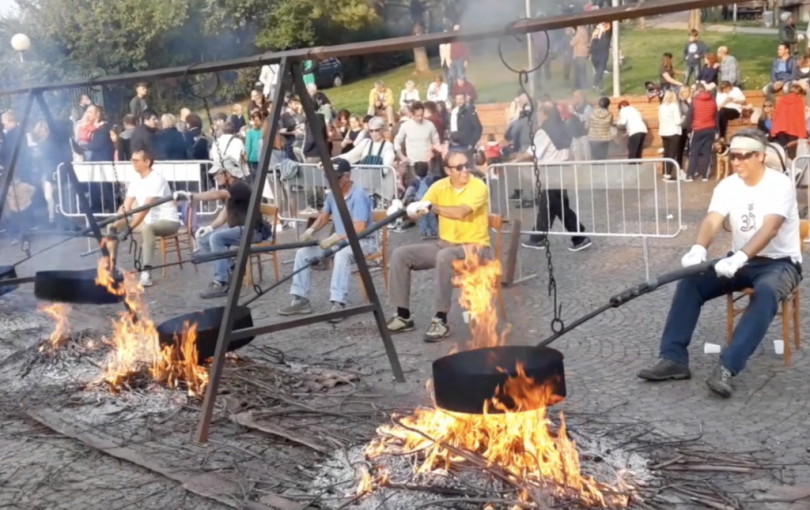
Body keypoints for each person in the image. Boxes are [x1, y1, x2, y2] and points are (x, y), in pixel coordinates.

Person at [637, 129, 802, 398]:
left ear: (761, 156)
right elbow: (713, 219)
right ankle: (673, 358)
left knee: (768, 291)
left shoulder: (780, 184)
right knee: (691, 280)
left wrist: (740, 257)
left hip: (779, 262)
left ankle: (728, 367)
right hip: (740, 260)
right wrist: (698, 249)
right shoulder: (728, 185)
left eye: (743, 156)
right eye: (732, 155)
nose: (736, 161)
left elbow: (770, 228)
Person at [385, 150, 490, 342]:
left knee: (445, 257)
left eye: (467, 165)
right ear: (448, 170)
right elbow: (421, 208)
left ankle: (441, 319)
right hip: (445, 244)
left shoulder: (478, 186)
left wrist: (431, 207)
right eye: (459, 167)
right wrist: (410, 209)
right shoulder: (439, 186)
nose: (465, 170)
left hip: (475, 248)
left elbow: (460, 212)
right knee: (401, 254)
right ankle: (403, 315)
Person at [277, 159, 376, 320]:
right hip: (340, 241)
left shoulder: (358, 195)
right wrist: (311, 230)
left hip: (364, 242)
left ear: (346, 177)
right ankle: (301, 299)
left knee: (342, 255)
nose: (330, 182)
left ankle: (338, 303)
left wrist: (336, 237)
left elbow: (360, 229)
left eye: (335, 178)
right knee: (303, 253)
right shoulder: (333, 195)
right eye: (328, 178)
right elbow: (324, 216)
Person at [174, 158, 271, 299]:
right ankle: (232, 268)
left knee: (216, 238)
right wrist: (209, 227)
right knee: (203, 240)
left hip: (252, 231)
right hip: (240, 231)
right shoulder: (232, 190)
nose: (216, 177)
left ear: (228, 173)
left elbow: (218, 194)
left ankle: (221, 281)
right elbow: (225, 214)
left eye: (218, 173)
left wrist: (192, 196)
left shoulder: (240, 186)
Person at [516, 102, 592, 252]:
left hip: (551, 171)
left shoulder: (544, 131)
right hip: (562, 169)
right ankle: (538, 237)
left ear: (544, 114)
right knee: (548, 205)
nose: (537, 116)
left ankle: (580, 237)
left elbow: (532, 153)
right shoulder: (563, 127)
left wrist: (515, 161)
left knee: (559, 207)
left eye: (538, 113)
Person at [107, 149, 181, 287]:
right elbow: (126, 206)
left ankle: (146, 272)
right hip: (146, 221)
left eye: (136, 160)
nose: (132, 163)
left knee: (148, 228)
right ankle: (112, 267)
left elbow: (145, 209)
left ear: (147, 162)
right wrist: (116, 223)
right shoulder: (135, 180)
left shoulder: (157, 179)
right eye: (132, 160)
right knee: (112, 226)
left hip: (168, 221)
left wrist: (129, 228)